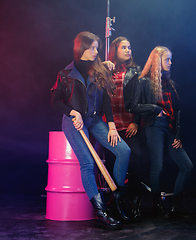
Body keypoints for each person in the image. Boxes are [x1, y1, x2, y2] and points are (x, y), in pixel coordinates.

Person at [51, 31, 131, 230]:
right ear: (82, 48)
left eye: (97, 47)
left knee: (124, 151)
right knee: (87, 163)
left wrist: (111, 125)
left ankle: (116, 200)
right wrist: (72, 112)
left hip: (95, 120)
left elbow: (106, 101)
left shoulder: (100, 70)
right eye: (93, 47)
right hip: (74, 122)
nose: (97, 51)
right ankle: (101, 213)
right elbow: (54, 102)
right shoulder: (65, 73)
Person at [129, 46, 195, 218]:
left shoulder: (169, 83)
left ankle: (175, 205)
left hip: (171, 127)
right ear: (157, 60)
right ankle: (157, 206)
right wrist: (155, 108)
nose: (170, 63)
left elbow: (178, 111)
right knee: (157, 165)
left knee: (187, 165)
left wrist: (178, 134)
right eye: (167, 59)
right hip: (154, 125)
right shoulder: (143, 81)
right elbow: (134, 106)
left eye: (170, 59)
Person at [108, 36, 143, 222]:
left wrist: (136, 121)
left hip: (129, 124)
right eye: (124, 47)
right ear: (115, 49)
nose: (128, 50)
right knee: (112, 164)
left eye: (130, 47)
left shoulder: (135, 71)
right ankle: (116, 203)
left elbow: (141, 98)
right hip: (110, 125)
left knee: (136, 161)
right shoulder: (106, 70)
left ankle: (135, 205)